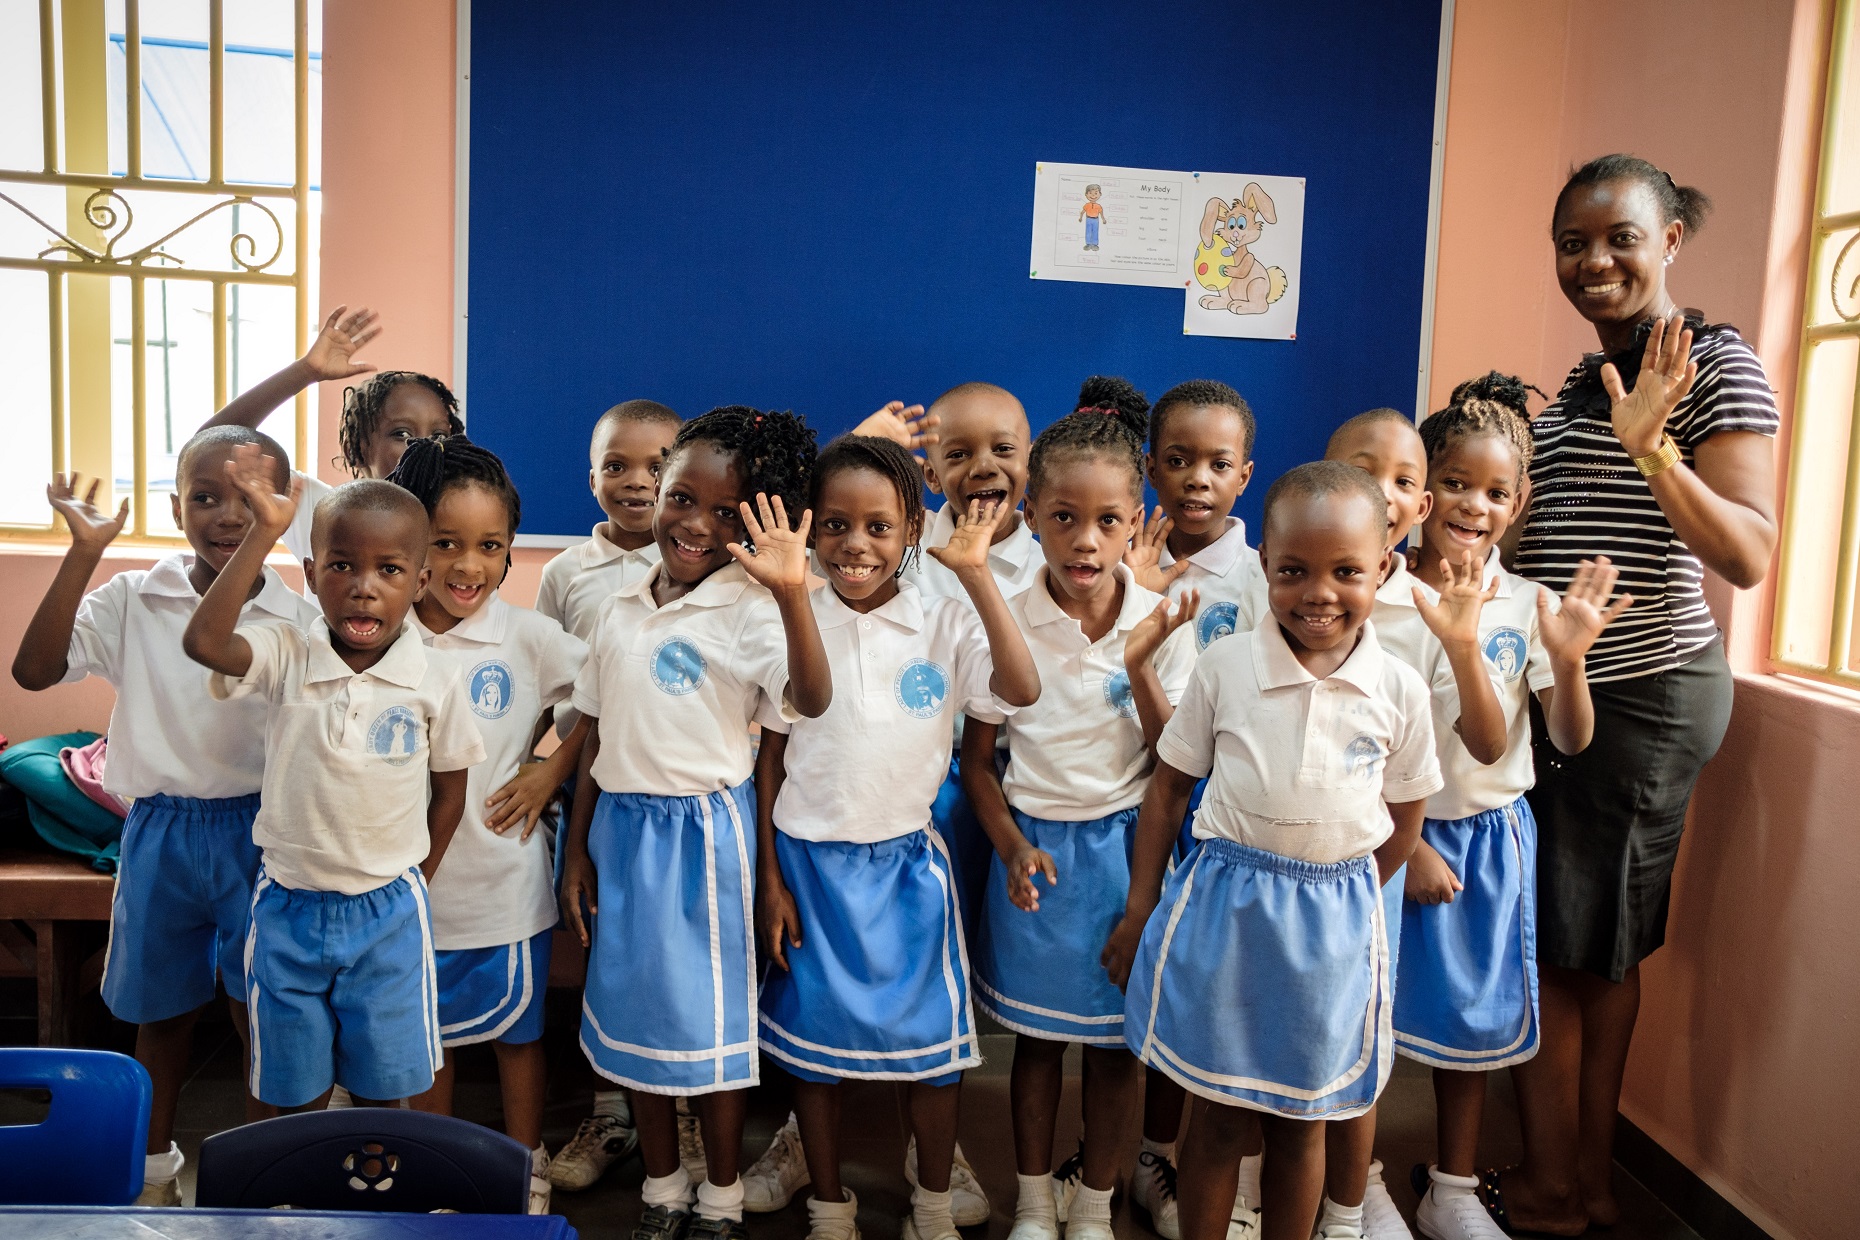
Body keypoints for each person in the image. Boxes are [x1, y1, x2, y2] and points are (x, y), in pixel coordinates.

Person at [1498, 155, 1779, 1237]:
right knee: (1572, 944)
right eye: (1572, 243)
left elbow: (1748, 554)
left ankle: (1560, 1190)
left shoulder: (1715, 362)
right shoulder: (1588, 377)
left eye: (1620, 236)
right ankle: (1576, 1181)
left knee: (1575, 949)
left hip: (1642, 694)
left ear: (1671, 240)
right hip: (1570, 688)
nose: (1594, 261)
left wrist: (1654, 448)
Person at [1104, 461, 1442, 1240]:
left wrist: (1347, 893)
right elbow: (1168, 790)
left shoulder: (1399, 689)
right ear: (1264, 566)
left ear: (1383, 566)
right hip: (1229, 913)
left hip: (1334, 929)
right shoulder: (1226, 667)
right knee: (1220, 1115)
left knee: (1302, 1121)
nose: (1319, 593)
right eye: (1294, 571)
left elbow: (1406, 817)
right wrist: (1141, 905)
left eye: (1346, 571)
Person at [9, 428, 319, 1204]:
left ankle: (258, 1178)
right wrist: (82, 553)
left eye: (249, 499)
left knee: (258, 1016)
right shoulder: (133, 598)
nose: (227, 514)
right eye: (205, 497)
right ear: (175, 509)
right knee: (161, 1013)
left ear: (284, 508)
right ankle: (151, 1175)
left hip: (262, 835)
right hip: (159, 832)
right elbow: (35, 671)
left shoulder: (297, 616)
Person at [755, 435, 1040, 1240]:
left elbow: (1021, 688)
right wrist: (769, 880)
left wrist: (976, 575)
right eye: (835, 524)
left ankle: (933, 1205)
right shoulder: (789, 612)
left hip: (908, 868)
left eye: (879, 526)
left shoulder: (942, 619)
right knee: (813, 1056)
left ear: (913, 530)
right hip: (808, 866)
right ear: (810, 529)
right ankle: (829, 1207)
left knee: (934, 1054)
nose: (856, 544)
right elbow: (772, 756)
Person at [557, 407, 833, 1240]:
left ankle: (720, 1196)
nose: (697, 525)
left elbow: (811, 698)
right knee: (636, 1022)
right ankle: (661, 1187)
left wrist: (791, 591)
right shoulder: (617, 604)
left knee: (711, 1034)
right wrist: (577, 853)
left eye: (725, 512)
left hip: (705, 839)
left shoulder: (752, 608)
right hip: (620, 833)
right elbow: (593, 735)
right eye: (682, 498)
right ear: (658, 490)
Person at [1367, 391, 1626, 1240]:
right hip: (1385, 836)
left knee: (1470, 1024)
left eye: (1496, 492)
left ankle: (1452, 1188)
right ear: (1422, 493)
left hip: (1487, 839)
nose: (1473, 506)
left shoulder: (1528, 604)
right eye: (1454, 483)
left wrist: (1570, 662)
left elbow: (1569, 738)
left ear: (1520, 504)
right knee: (1365, 1013)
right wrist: (1406, 846)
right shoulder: (1376, 594)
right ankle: (1357, 1185)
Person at [182, 454, 487, 1112]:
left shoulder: (437, 679)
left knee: (385, 1087)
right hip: (287, 905)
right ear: (312, 573)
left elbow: (451, 791)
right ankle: (297, 1178)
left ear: (420, 581)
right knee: (291, 1089)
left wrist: (416, 877)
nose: (363, 588)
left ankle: (375, 1177)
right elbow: (205, 642)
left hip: (388, 911)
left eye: (390, 570)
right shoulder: (285, 651)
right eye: (342, 565)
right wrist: (263, 534)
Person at [967, 406, 1199, 1240]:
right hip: (1036, 854)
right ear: (1030, 514)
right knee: (1034, 1046)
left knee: (1113, 1048)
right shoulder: (1005, 618)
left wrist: (1139, 666)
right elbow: (978, 764)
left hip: (1129, 856)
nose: (1085, 541)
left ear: (1136, 521)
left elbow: (1174, 763)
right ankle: (1035, 1202)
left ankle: (1095, 1204)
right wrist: (1011, 846)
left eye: (1107, 520)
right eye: (1063, 517)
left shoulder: (1163, 620)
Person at [384, 436, 588, 1214]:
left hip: (502, 884)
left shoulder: (527, 637)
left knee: (517, 1037)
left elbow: (606, 693)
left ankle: (526, 1166)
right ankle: (434, 1168)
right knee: (424, 1041)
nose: (469, 565)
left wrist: (550, 769)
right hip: (405, 891)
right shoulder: (381, 631)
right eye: (446, 543)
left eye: (491, 546)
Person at [1113, 377, 1264, 1239]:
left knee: (1206, 996)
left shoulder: (1264, 577)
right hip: (1129, 808)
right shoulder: (1113, 557)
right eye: (1177, 460)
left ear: (1245, 474)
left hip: (1223, 819)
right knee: (1132, 989)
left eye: (1217, 463)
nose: (1196, 479)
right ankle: (1130, 1155)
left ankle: (1181, 1156)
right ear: (1150, 469)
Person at [1306, 408, 1440, 1239]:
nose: (1382, 494)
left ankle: (1352, 1201)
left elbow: (1419, 769)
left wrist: (1398, 857)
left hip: (1367, 868)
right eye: (1363, 471)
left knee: (1359, 1034)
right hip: (1281, 856)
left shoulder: (1429, 613)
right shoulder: (1286, 588)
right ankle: (1266, 1181)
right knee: (1279, 1028)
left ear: (1420, 507)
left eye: (1402, 481)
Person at [204, 305, 463, 563]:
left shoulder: (463, 524)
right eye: (402, 433)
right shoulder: (323, 509)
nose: (424, 445)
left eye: (439, 435)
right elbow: (208, 448)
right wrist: (306, 372)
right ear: (356, 450)